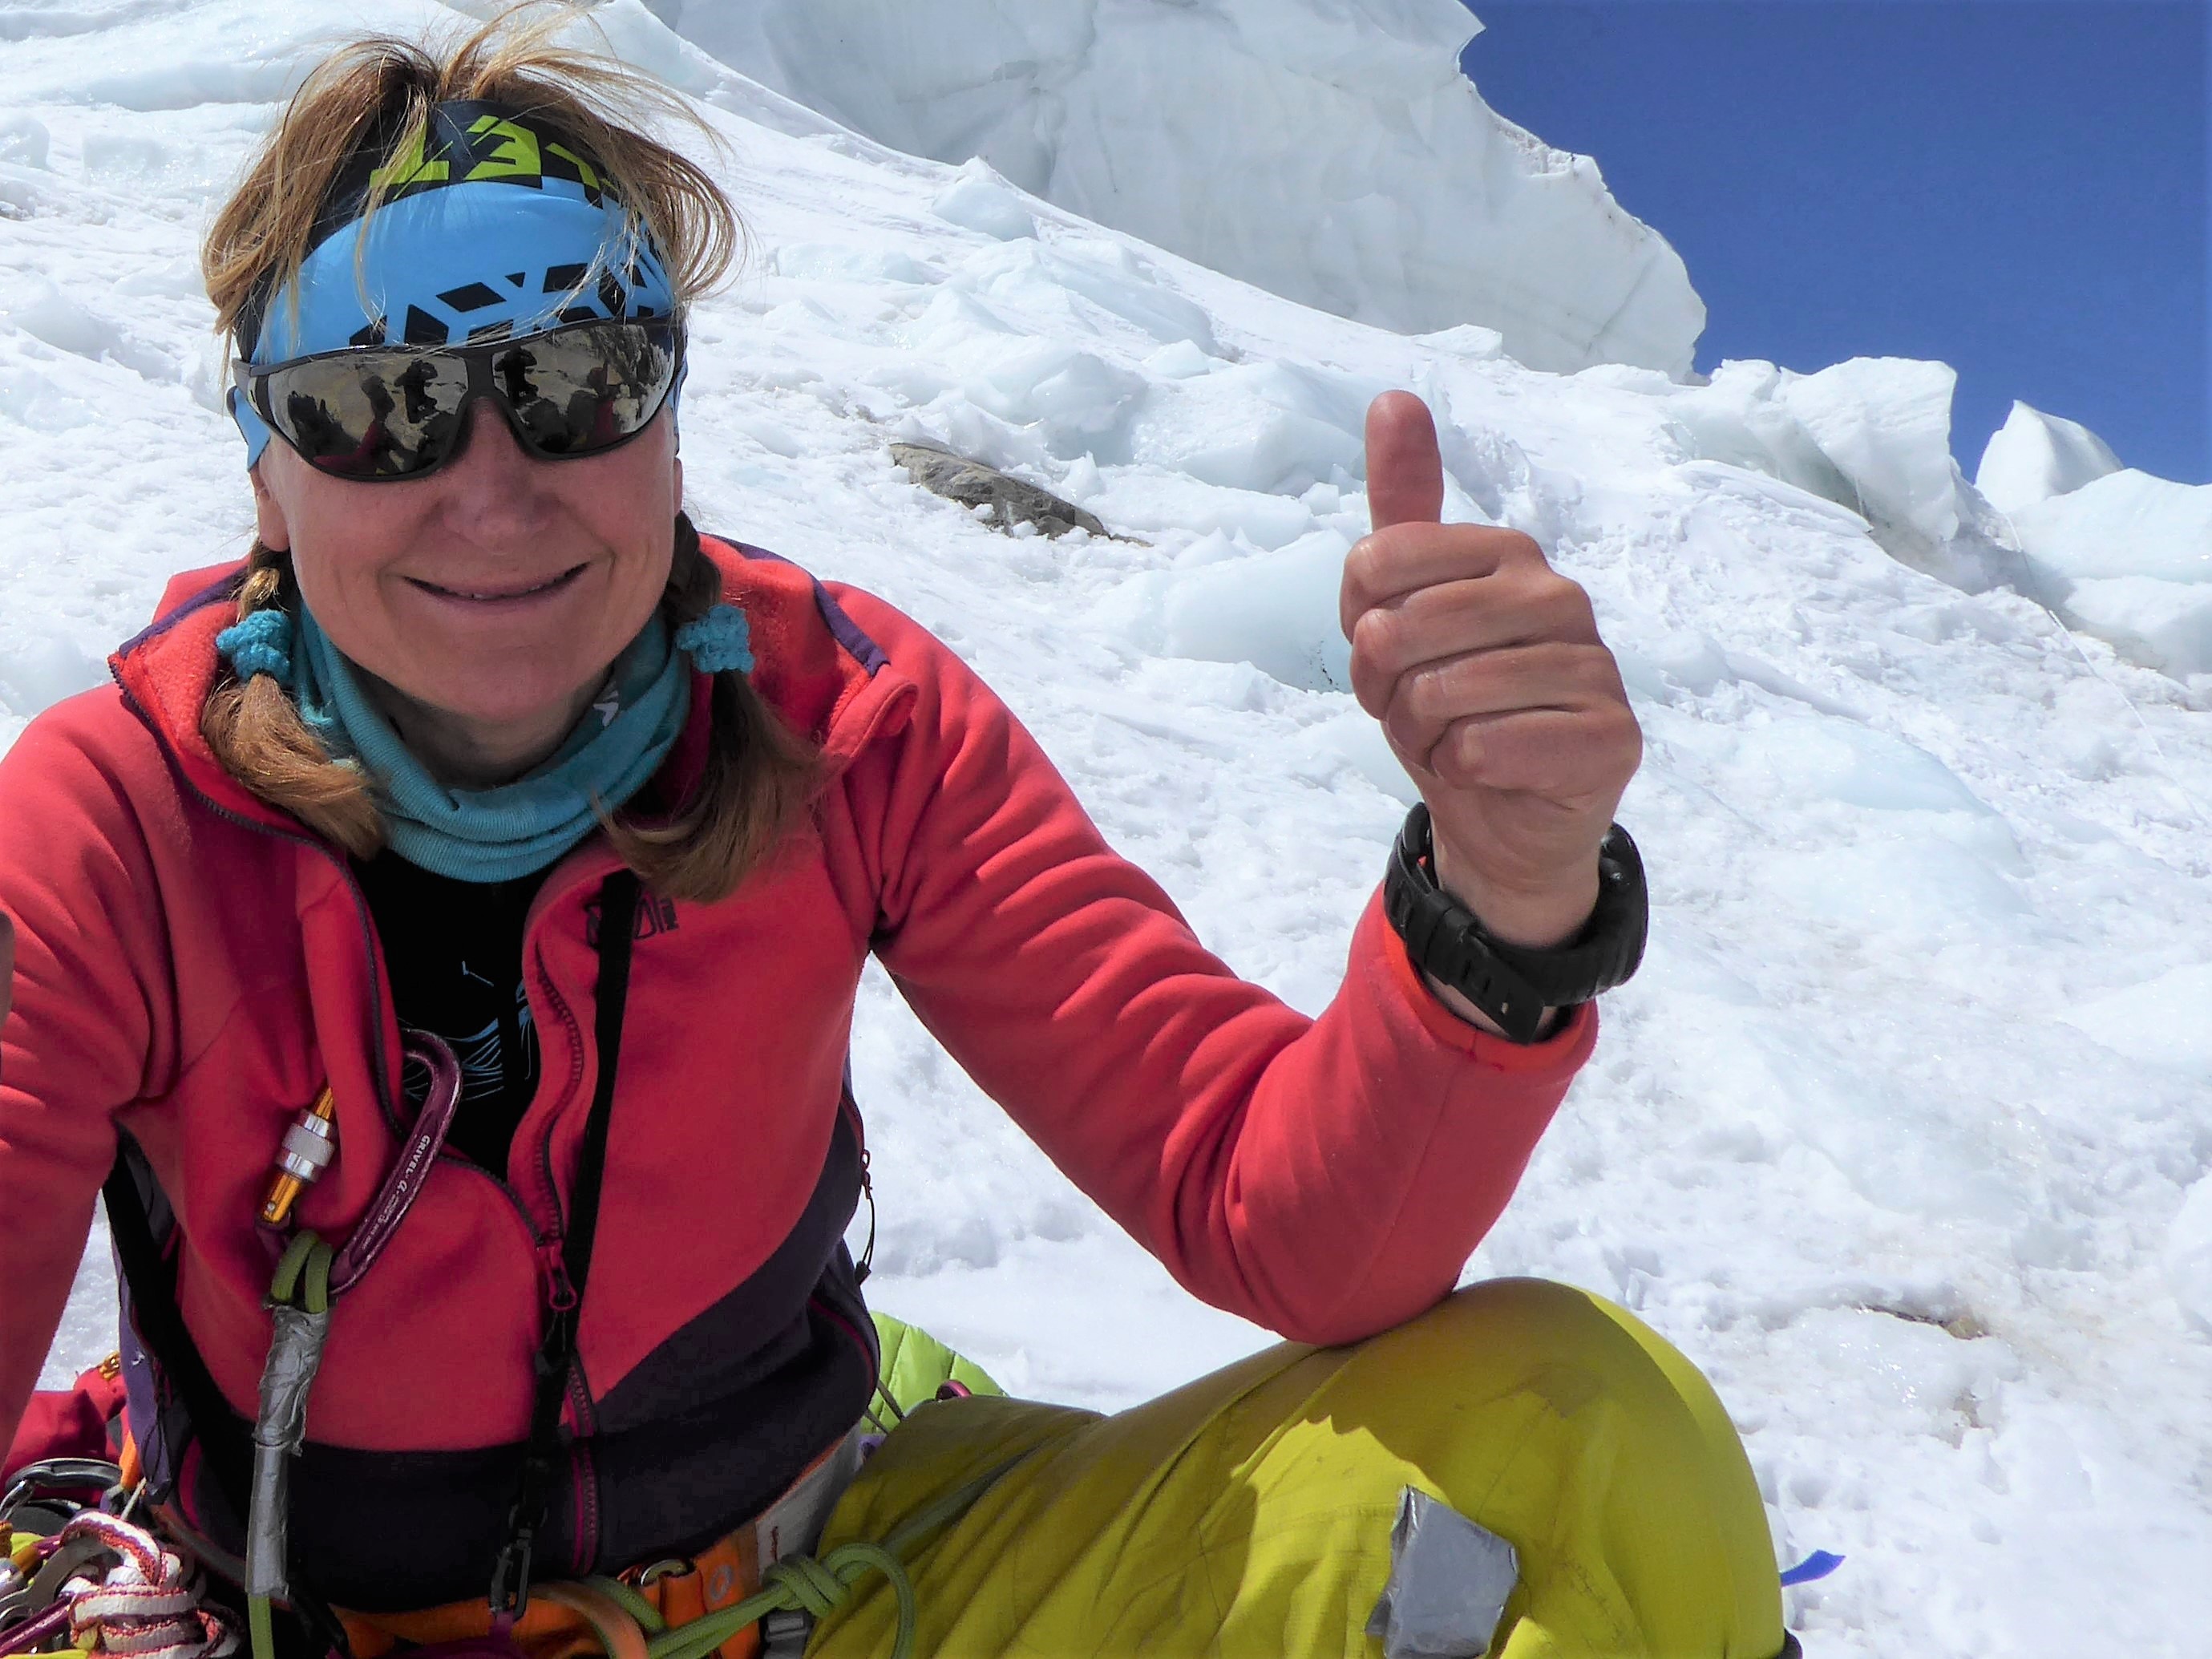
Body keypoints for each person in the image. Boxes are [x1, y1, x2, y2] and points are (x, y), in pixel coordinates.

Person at [0, 8, 1792, 1657]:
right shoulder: (120, 827)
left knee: (1582, 1449)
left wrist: (1504, 899)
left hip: (820, 1590)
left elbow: (1277, 1214)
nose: (490, 486)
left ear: (667, 416)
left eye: (574, 376)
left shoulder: (843, 732)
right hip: (296, 1621)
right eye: (374, 406)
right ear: (266, 470)